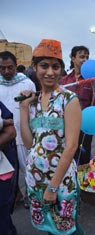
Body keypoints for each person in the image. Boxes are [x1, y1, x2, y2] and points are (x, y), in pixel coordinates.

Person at [19, 39, 90, 235]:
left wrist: (52, 187)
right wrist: (23, 110)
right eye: (44, 66)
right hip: (35, 179)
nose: (50, 72)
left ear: (61, 69)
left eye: (55, 66)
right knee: (49, 223)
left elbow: (71, 146)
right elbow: (29, 144)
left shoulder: (69, 100)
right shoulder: (35, 102)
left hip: (61, 182)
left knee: (70, 224)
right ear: (35, 68)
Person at [0, 51, 36, 208]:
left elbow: (34, 109)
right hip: (4, 137)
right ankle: (16, 195)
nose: (6, 71)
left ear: (16, 66)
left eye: (10, 67)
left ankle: (32, 195)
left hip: (23, 134)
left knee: (28, 168)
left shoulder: (27, 83)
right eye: (2, 68)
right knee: (8, 171)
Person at [60, 46, 95, 165]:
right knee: (67, 152)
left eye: (87, 57)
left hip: (85, 124)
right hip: (66, 123)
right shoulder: (65, 80)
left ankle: (83, 179)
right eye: (81, 56)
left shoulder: (93, 79)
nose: (85, 59)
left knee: (83, 153)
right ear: (73, 58)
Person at [0, 101, 18, 235]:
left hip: (3, 165)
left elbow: (11, 130)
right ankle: (8, 229)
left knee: (2, 204)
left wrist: (5, 123)